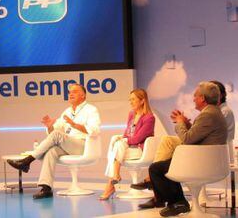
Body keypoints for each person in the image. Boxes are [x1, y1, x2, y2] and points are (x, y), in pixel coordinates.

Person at [138, 82, 227, 217]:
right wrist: (186, 123)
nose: (193, 99)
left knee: (156, 169)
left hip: (200, 163)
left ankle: (177, 202)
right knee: (166, 162)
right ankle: (172, 200)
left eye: (195, 96)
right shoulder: (214, 112)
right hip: (207, 160)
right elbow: (199, 134)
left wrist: (180, 122)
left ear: (202, 98)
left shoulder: (207, 114)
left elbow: (187, 139)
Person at [7, 84, 101, 199]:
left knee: (56, 135)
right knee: (51, 151)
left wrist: (74, 125)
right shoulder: (67, 111)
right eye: (69, 92)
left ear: (83, 95)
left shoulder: (91, 110)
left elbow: (95, 130)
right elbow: (55, 133)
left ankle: (27, 161)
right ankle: (46, 188)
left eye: (75, 92)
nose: (71, 94)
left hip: (84, 146)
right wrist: (50, 126)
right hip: (69, 145)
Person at [99, 89, 155, 200]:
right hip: (128, 148)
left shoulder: (149, 118)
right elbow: (127, 132)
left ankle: (111, 182)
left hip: (140, 150)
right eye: (130, 100)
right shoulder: (131, 114)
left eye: (133, 99)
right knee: (116, 143)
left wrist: (125, 140)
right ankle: (114, 177)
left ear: (142, 101)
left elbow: (138, 138)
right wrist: (123, 138)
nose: (131, 102)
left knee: (115, 151)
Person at [198, 80, 235, 206]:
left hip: (221, 151)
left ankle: (200, 196)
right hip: (219, 149)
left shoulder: (222, 112)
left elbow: (210, 133)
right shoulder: (216, 111)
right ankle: (200, 195)